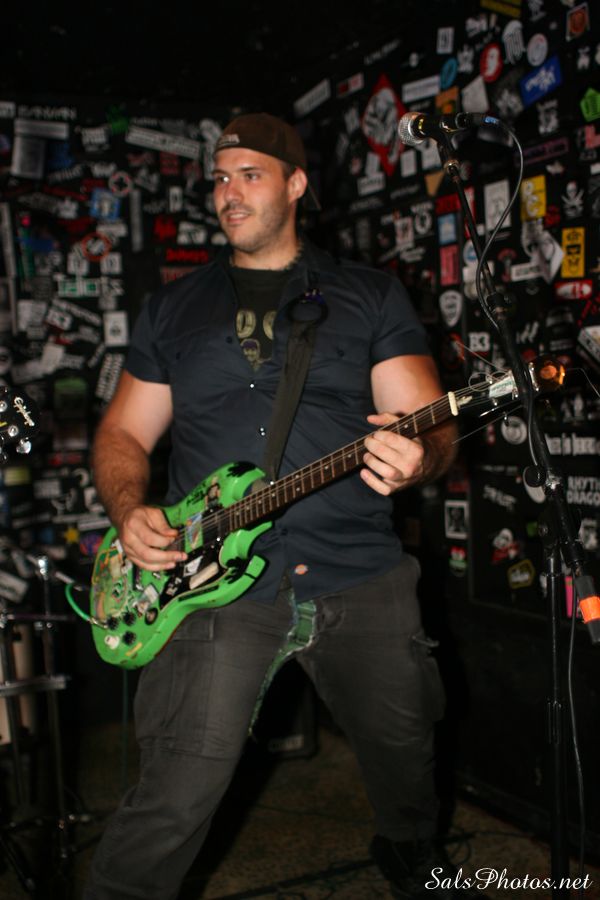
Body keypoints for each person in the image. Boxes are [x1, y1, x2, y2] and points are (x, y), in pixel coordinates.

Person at [84, 112, 461, 900]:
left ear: (296, 184)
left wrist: (419, 456)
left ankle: (411, 858)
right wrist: (127, 509)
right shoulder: (172, 309)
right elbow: (122, 433)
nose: (228, 192)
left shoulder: (369, 295)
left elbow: (429, 423)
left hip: (357, 569)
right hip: (214, 586)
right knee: (172, 799)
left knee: (408, 767)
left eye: (249, 174)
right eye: (220, 178)